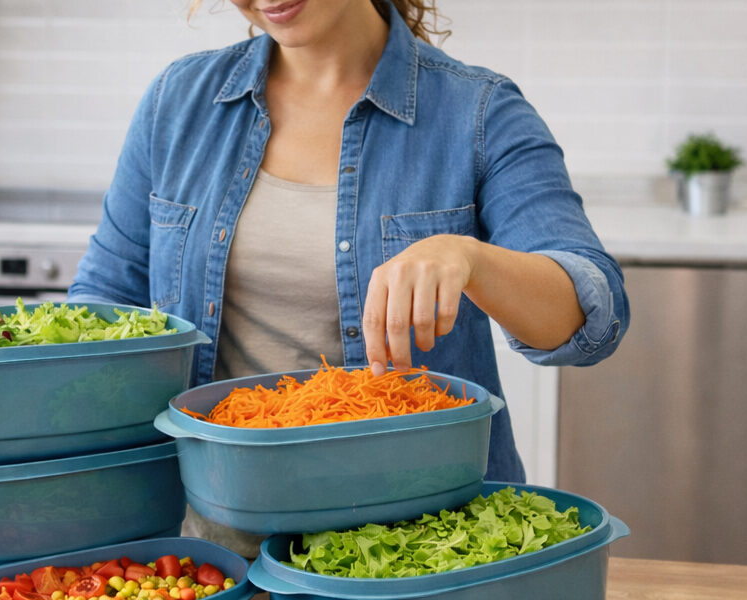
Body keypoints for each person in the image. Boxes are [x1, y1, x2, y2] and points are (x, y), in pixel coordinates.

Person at [68, 0, 629, 556]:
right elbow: (101, 306)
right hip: (210, 557)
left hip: (412, 556)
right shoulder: (179, 101)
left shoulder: (477, 112)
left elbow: (590, 314)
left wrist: (468, 257)